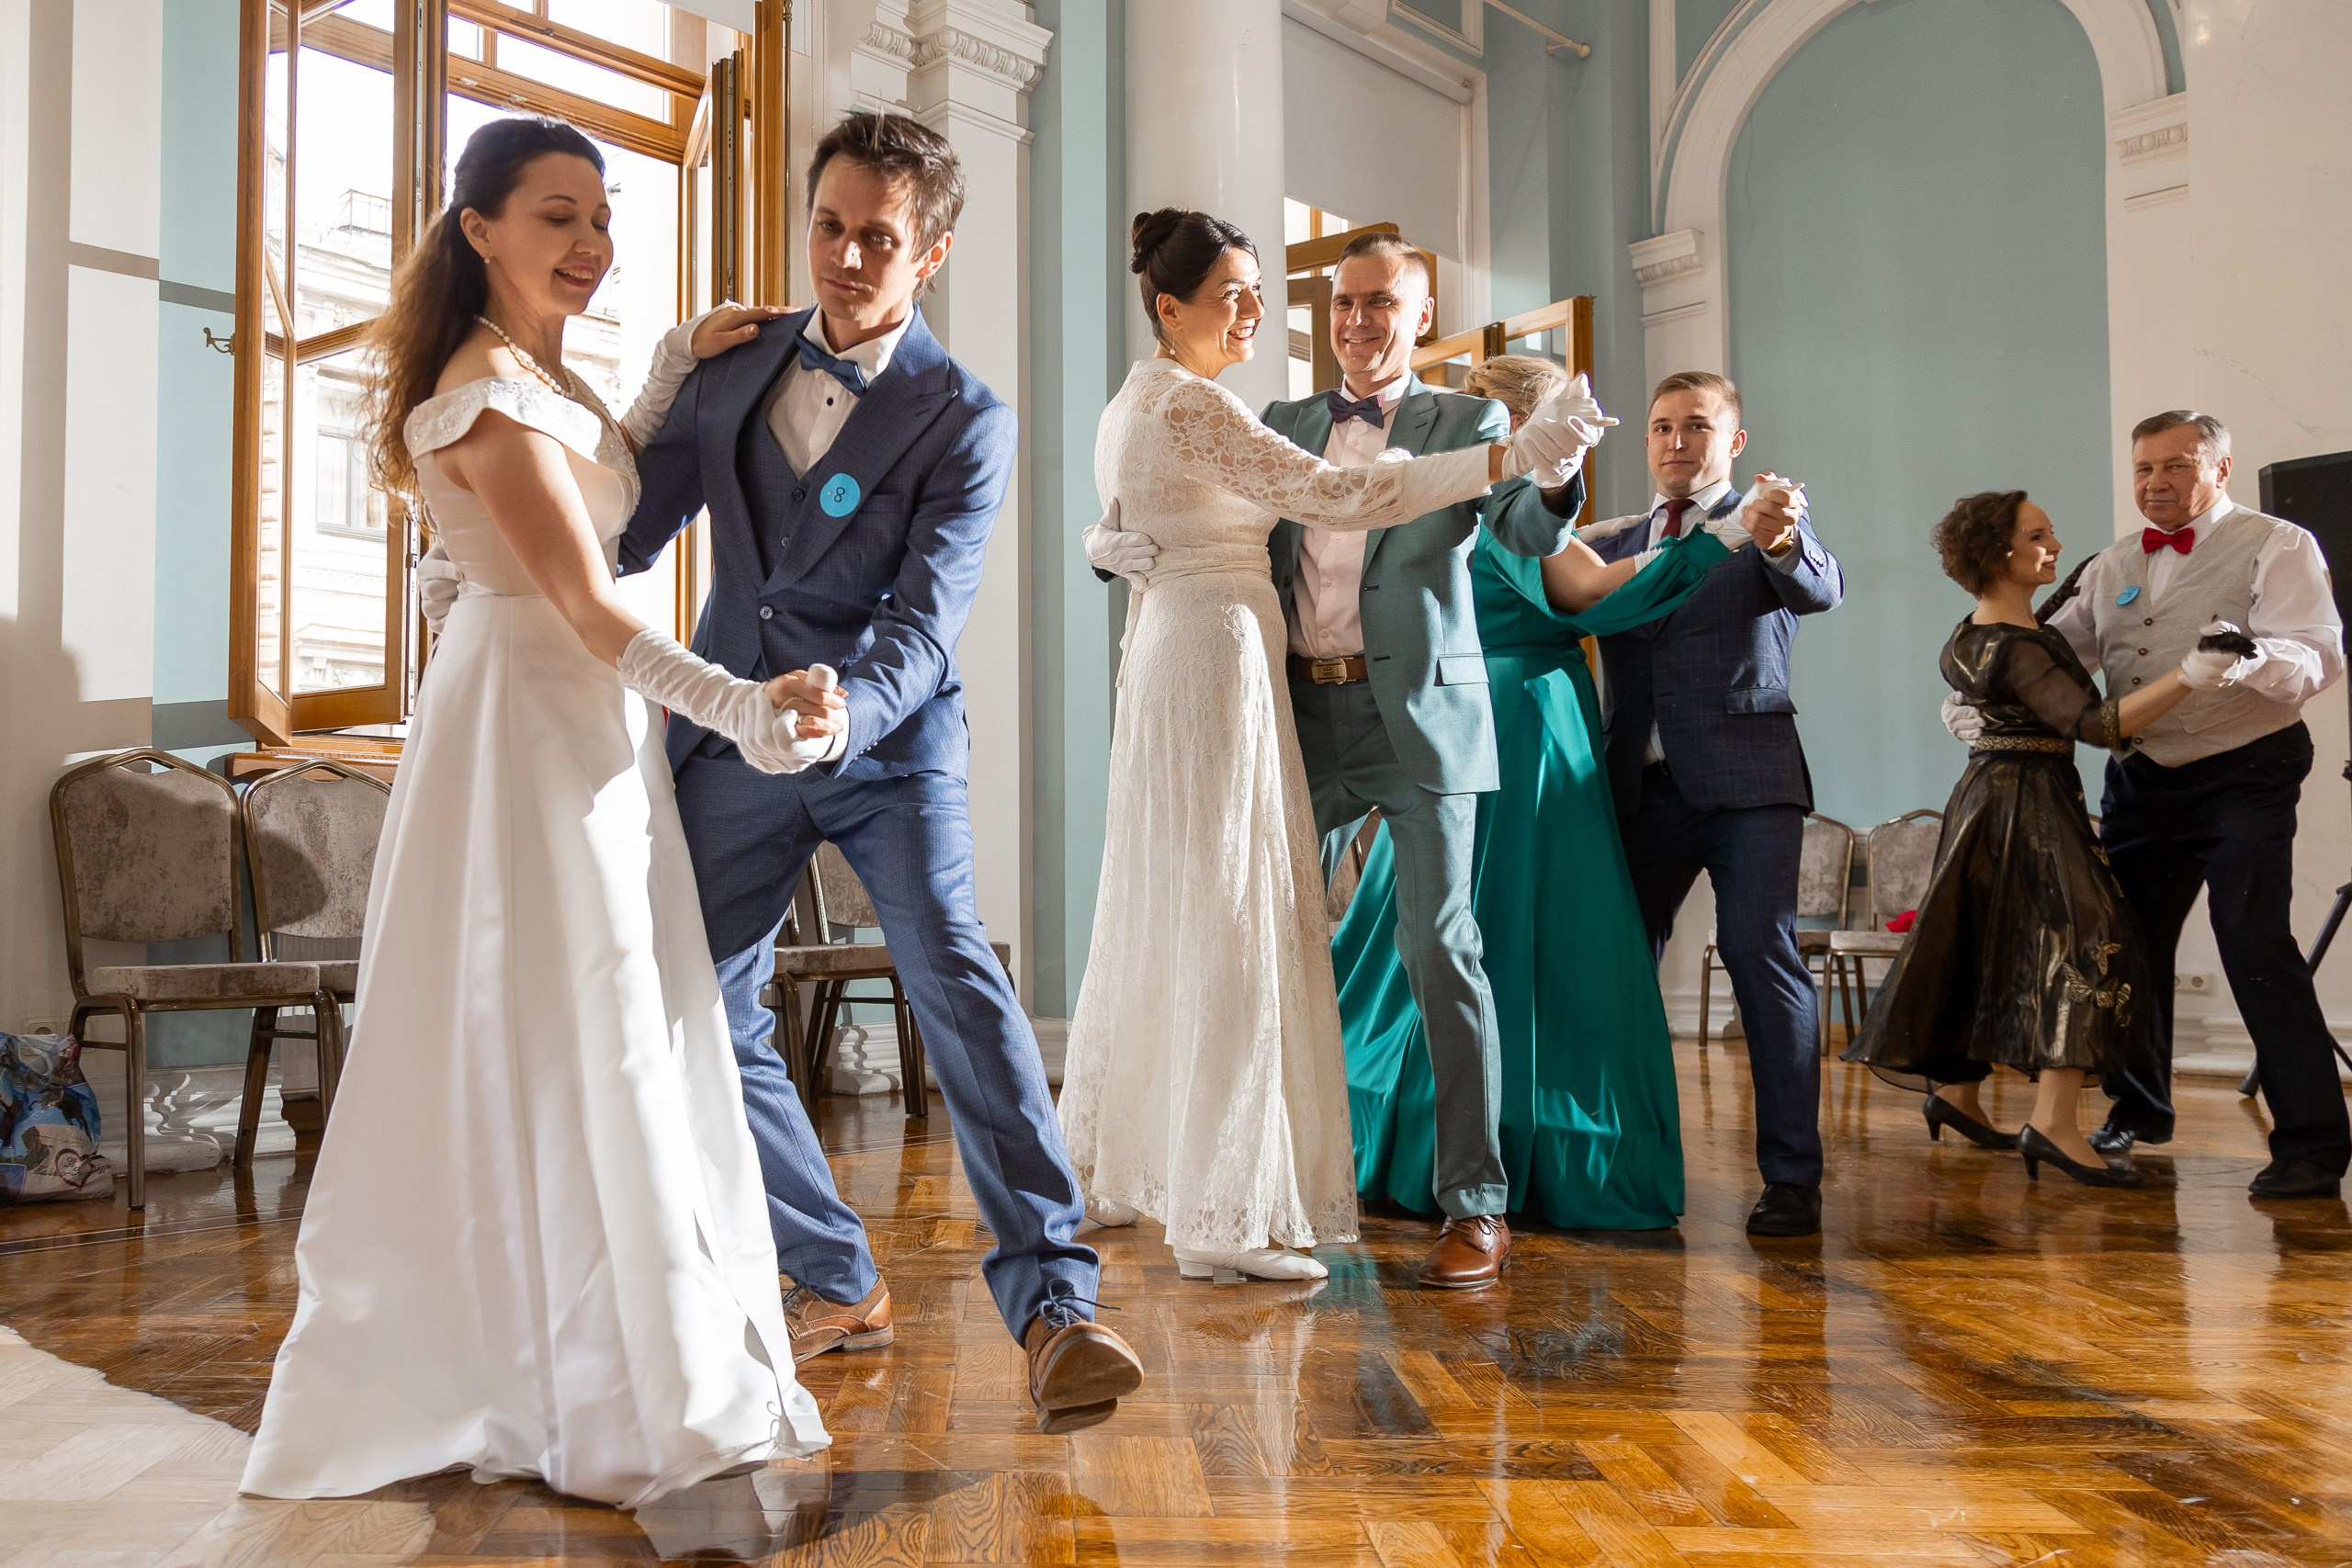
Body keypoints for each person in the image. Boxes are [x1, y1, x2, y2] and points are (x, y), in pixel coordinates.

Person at [244, 117, 830, 1506]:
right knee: (581, 1032)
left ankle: (593, 1350)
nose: (589, 242)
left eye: (601, 216)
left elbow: (606, 478)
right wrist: (745, 708)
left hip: (587, 718)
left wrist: (675, 361)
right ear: (480, 231)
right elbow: (582, 597)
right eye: (555, 216)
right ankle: (599, 1379)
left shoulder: (536, 381)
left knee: (616, 1020)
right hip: (530, 712)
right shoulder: (484, 395)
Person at [601, 112, 1145, 1434]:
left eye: (879, 238)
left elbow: (925, 615)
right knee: (689, 998)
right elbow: (625, 524)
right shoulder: (736, 368)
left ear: (934, 251)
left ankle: (1057, 1303)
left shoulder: (966, 417)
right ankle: (835, 1269)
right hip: (732, 730)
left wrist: (842, 713)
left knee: (954, 973)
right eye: (831, 226)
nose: (847, 257)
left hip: (886, 747)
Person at [1058, 212, 1604, 1286]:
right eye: (1342, 303)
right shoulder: (1272, 410)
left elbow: (1537, 541)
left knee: (1440, 951)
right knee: (1244, 931)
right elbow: (1216, 498)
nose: (1355, 321)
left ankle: (1473, 1204)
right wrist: (1104, 542)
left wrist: (1550, 467)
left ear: (1421, 315)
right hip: (1289, 710)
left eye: (1379, 303)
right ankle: (1232, 1176)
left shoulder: (1465, 416)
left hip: (1419, 720)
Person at [1336, 355, 1747, 1231]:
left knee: (1434, 937)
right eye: (1570, 410)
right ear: (1531, 424)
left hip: (1447, 716)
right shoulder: (1516, 505)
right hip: (1526, 723)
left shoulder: (1441, 498)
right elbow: (1596, 599)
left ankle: (1411, 1133)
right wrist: (1710, 544)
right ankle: (1530, 1145)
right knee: (1539, 939)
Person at [1943, 412, 2352, 1200]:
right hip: (2144, 776)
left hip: (2246, 770)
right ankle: (2138, 1107)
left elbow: (2319, 650)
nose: (2155, 483)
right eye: (2143, 469)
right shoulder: (2111, 563)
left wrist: (2251, 658)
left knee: (2252, 939)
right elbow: (2041, 650)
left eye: (2176, 466)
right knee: (2123, 943)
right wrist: (1970, 699)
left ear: (2222, 467)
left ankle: (2312, 1143)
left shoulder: (2279, 542)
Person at [1849, 491, 2244, 1186]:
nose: (2054, 543)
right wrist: (2192, 673)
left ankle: (1959, 1093)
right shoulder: (2018, 647)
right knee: (2090, 941)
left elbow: (2055, 611)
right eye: (2039, 534)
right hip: (2027, 803)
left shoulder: (1978, 631)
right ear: (2001, 554)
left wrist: (2090, 566)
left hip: (1985, 797)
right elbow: (2097, 725)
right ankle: (2055, 1124)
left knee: (1987, 941)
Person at [1579, 371, 1841, 1237]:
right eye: (1660, 427)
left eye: (1698, 426)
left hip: (1748, 784)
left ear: (1733, 441)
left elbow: (1820, 588)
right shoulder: (1609, 542)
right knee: (1613, 969)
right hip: (1634, 789)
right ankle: (1608, 1157)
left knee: (1760, 955)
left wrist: (1781, 537)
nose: (1676, 442)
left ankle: (1792, 1179)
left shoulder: (1765, 527)